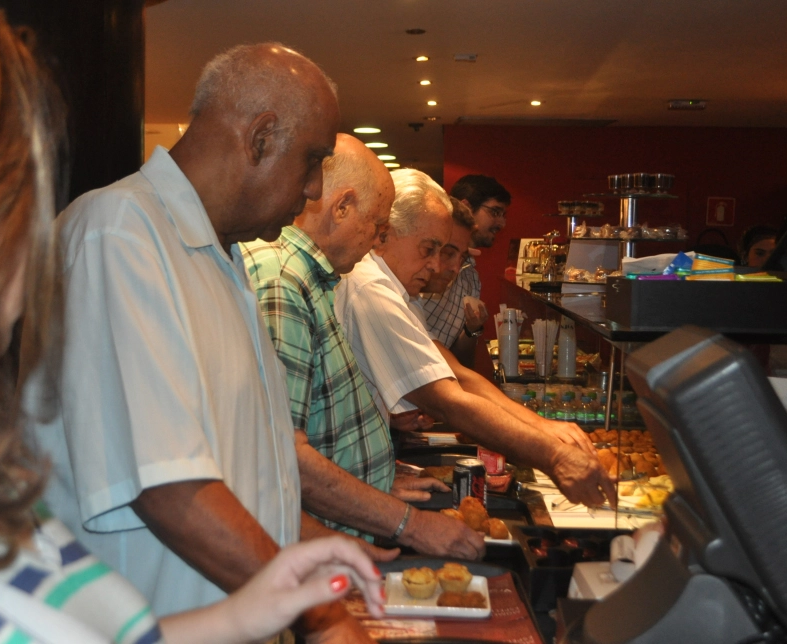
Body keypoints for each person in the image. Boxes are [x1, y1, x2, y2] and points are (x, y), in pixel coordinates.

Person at [0, 12, 383, 644]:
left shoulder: (224, 259)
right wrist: (318, 614)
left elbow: (251, 469)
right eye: (311, 161)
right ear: (259, 138)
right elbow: (168, 487)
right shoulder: (119, 233)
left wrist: (310, 558)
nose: (313, 189)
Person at [240, 134, 484, 560]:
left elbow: (319, 425)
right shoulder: (283, 282)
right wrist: (407, 523)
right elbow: (282, 457)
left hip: (345, 525)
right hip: (317, 555)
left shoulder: (313, 277)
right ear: (342, 206)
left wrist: (370, 481)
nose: (376, 241)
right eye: (376, 224)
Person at [336, 169, 616, 508]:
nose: (438, 266)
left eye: (445, 252)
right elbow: (449, 400)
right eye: (430, 249)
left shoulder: (395, 287)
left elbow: (454, 371)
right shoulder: (372, 289)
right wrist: (554, 455)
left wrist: (542, 427)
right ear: (386, 235)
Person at [421, 174, 511, 368]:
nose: (502, 223)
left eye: (504, 215)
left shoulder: (471, 278)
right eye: (495, 212)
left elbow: (459, 359)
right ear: (466, 208)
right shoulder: (423, 264)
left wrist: (473, 329)